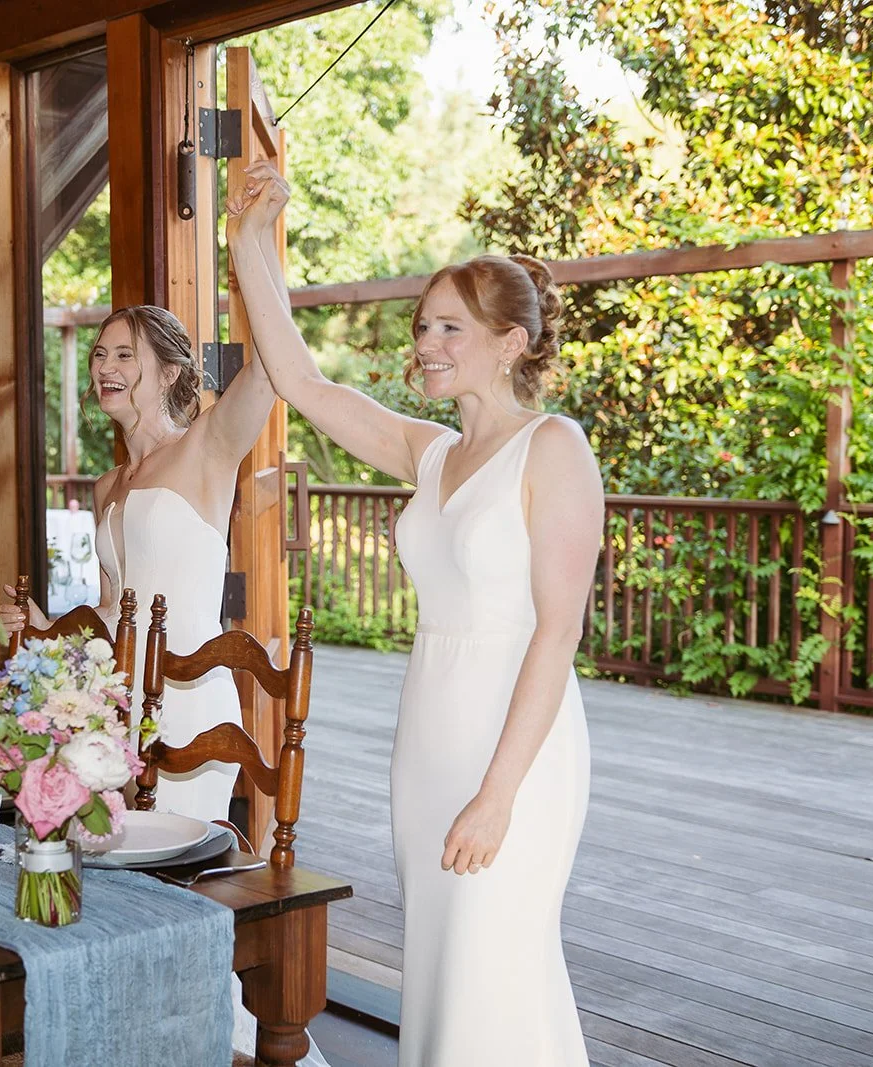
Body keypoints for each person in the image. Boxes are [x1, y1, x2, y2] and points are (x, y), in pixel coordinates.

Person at [228, 162, 603, 1066]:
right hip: (429, 739)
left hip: (515, 754)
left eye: (448, 328)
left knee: (496, 965)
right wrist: (246, 242)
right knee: (442, 968)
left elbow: (558, 632)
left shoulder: (554, 447)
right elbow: (303, 382)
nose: (425, 344)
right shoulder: (429, 453)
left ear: (511, 344)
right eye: (422, 325)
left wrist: (498, 794)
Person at [0, 305, 333, 1066]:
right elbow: (121, 609)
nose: (105, 367)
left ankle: (218, 1044)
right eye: (100, 355)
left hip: (196, 715)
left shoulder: (209, 447)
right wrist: (44, 622)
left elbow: (275, 368)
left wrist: (252, 247)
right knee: (125, 901)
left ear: (175, 371)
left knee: (171, 902)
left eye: (125, 353)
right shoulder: (108, 481)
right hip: (123, 722)